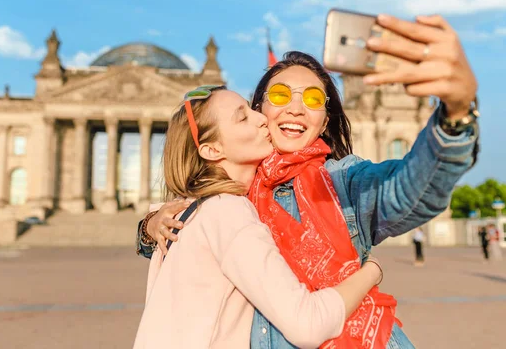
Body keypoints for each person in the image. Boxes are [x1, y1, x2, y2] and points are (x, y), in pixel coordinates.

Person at [139, 14, 480, 348]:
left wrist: (455, 117)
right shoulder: (226, 197)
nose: (297, 108)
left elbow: (409, 190)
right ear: (260, 110)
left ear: (323, 121)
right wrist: (149, 225)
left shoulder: (345, 182)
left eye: (314, 99)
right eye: (281, 95)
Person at [134, 86, 394, 349]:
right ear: (212, 150)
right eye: (243, 117)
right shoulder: (227, 211)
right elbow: (307, 324)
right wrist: (371, 271)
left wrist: (147, 226)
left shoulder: (187, 212)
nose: (261, 118)